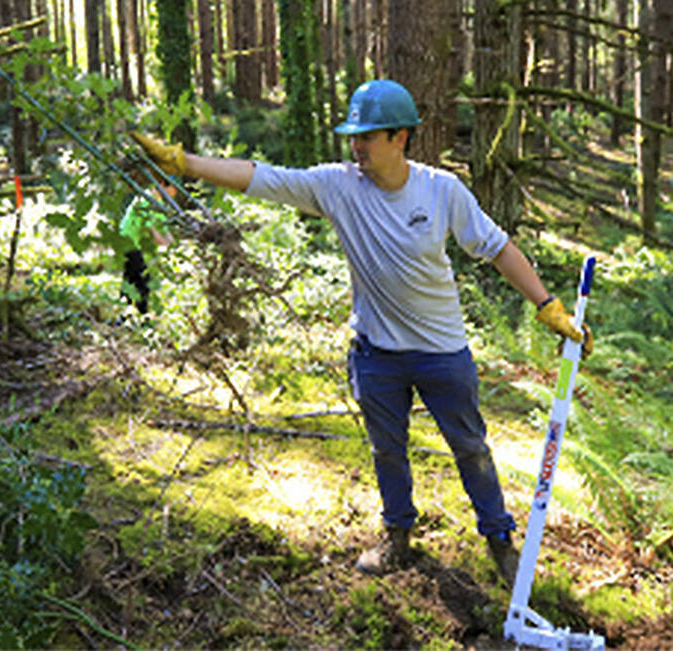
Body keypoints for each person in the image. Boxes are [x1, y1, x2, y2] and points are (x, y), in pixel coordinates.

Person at [132, 79, 593, 586]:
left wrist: (547, 305)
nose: (356, 146)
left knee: (471, 447)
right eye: (353, 135)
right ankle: (397, 538)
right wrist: (186, 163)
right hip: (376, 353)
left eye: (367, 136)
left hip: (443, 353)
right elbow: (260, 177)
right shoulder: (337, 185)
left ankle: (499, 540)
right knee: (386, 449)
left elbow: (498, 247)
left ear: (400, 138)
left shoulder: (442, 191)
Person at [119, 181, 175, 315]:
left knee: (132, 278)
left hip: (135, 245)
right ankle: (140, 316)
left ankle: (125, 315)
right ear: (162, 185)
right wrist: (170, 247)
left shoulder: (158, 204)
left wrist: (175, 246)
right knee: (143, 282)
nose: (174, 194)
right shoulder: (144, 201)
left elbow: (165, 232)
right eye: (173, 190)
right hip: (127, 242)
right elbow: (156, 236)